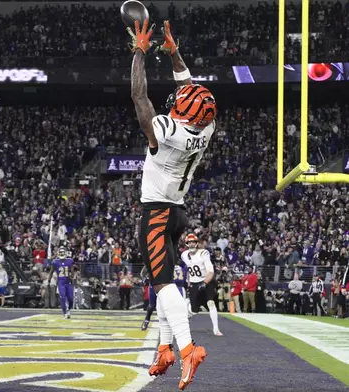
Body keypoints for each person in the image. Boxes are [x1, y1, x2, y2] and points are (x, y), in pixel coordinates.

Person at [129, 19, 216, 390]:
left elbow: (139, 97)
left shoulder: (168, 131)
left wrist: (140, 52)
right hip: (177, 211)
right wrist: (174, 52)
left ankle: (186, 348)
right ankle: (164, 347)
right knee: (159, 279)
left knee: (164, 285)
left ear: (180, 111)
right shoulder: (206, 128)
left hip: (157, 212)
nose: (176, 99)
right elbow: (188, 86)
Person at [182, 234, 222, 336]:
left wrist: (205, 283)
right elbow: (189, 271)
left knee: (211, 303)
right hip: (194, 284)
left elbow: (211, 272)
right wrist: (189, 284)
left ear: (196, 243)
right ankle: (182, 321)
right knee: (194, 310)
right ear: (186, 244)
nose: (191, 244)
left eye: (193, 242)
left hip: (206, 282)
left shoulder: (203, 253)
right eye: (189, 242)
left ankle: (216, 329)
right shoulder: (184, 255)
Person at [48, 247, 75, 318]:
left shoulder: (69, 261)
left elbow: (72, 271)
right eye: (61, 252)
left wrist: (72, 276)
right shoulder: (55, 262)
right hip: (61, 282)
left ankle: (69, 310)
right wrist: (49, 280)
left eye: (63, 252)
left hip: (68, 282)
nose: (62, 254)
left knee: (71, 298)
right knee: (62, 297)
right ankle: (64, 312)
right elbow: (51, 272)